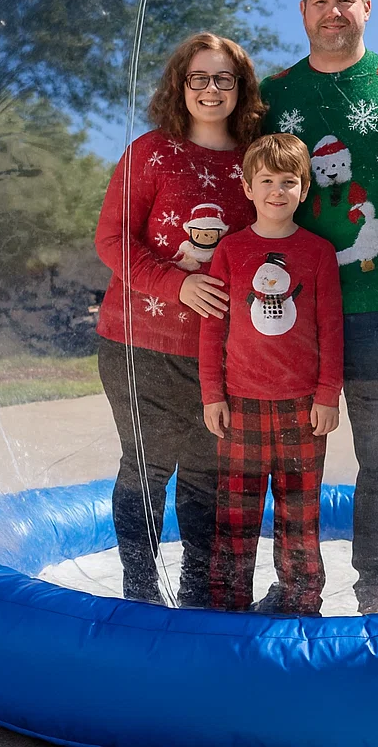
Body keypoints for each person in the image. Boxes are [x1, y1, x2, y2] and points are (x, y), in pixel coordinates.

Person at [259, 0, 378, 614]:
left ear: (367, 8)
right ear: (302, 12)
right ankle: (298, 587)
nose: (332, 12)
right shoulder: (272, 96)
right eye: (319, 1)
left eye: (345, 0)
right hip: (295, 316)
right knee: (295, 467)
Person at [94, 32, 263, 606]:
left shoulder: (255, 161)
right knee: (146, 468)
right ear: (180, 86)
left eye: (224, 79)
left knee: (205, 476)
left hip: (222, 354)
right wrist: (178, 283)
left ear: (241, 88)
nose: (211, 90)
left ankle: (198, 593)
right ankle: (140, 593)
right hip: (140, 344)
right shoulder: (150, 153)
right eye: (199, 79)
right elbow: (111, 239)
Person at [199, 133, 343, 615]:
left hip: (303, 408)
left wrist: (327, 395)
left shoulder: (318, 253)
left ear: (304, 190)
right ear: (247, 187)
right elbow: (212, 330)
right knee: (235, 515)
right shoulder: (230, 252)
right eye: (266, 180)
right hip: (239, 405)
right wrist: (211, 395)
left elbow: (331, 329)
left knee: (299, 514)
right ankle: (229, 606)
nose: (277, 191)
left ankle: (302, 602)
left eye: (289, 181)